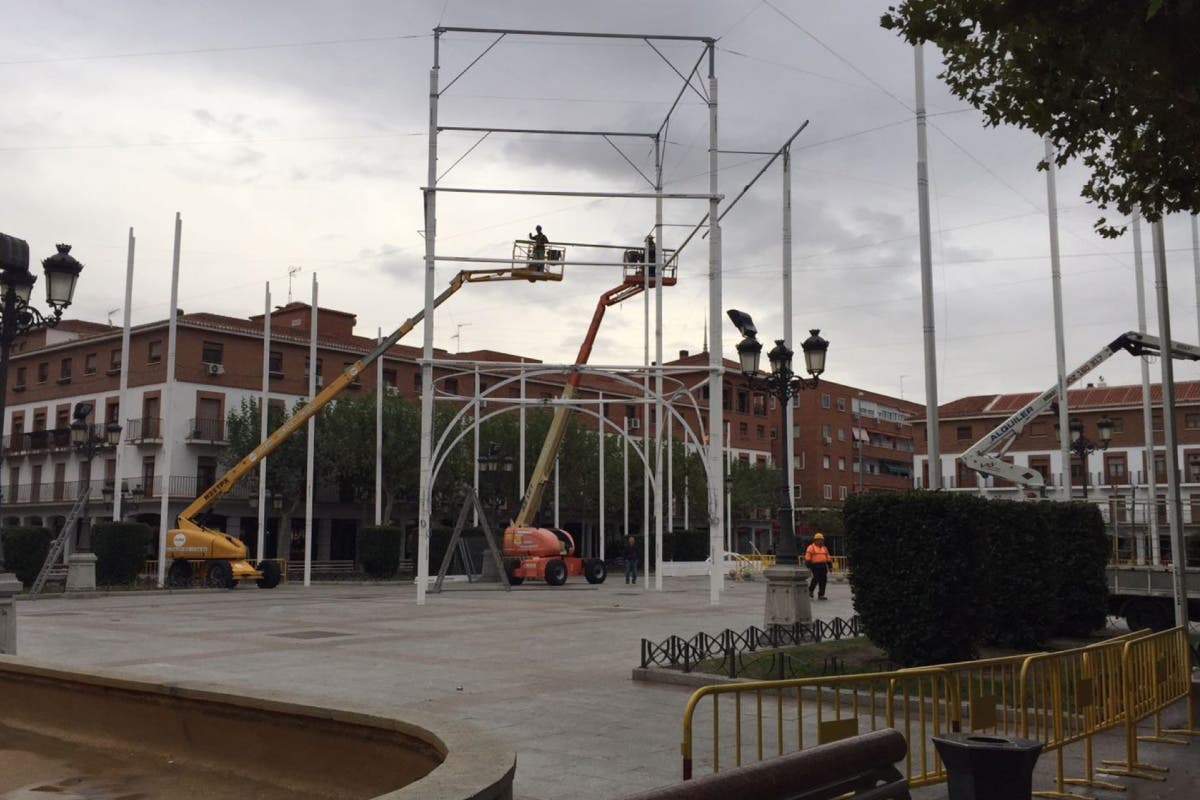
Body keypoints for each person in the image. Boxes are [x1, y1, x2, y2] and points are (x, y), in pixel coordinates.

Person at [804, 532, 831, 600]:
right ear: (815, 540)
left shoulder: (824, 548)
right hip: (815, 565)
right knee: (816, 578)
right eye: (819, 540)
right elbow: (808, 557)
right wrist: (809, 565)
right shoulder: (811, 547)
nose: (821, 541)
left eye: (822, 540)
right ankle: (810, 591)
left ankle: (821, 594)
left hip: (823, 565)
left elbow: (828, 557)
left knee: (823, 580)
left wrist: (830, 565)